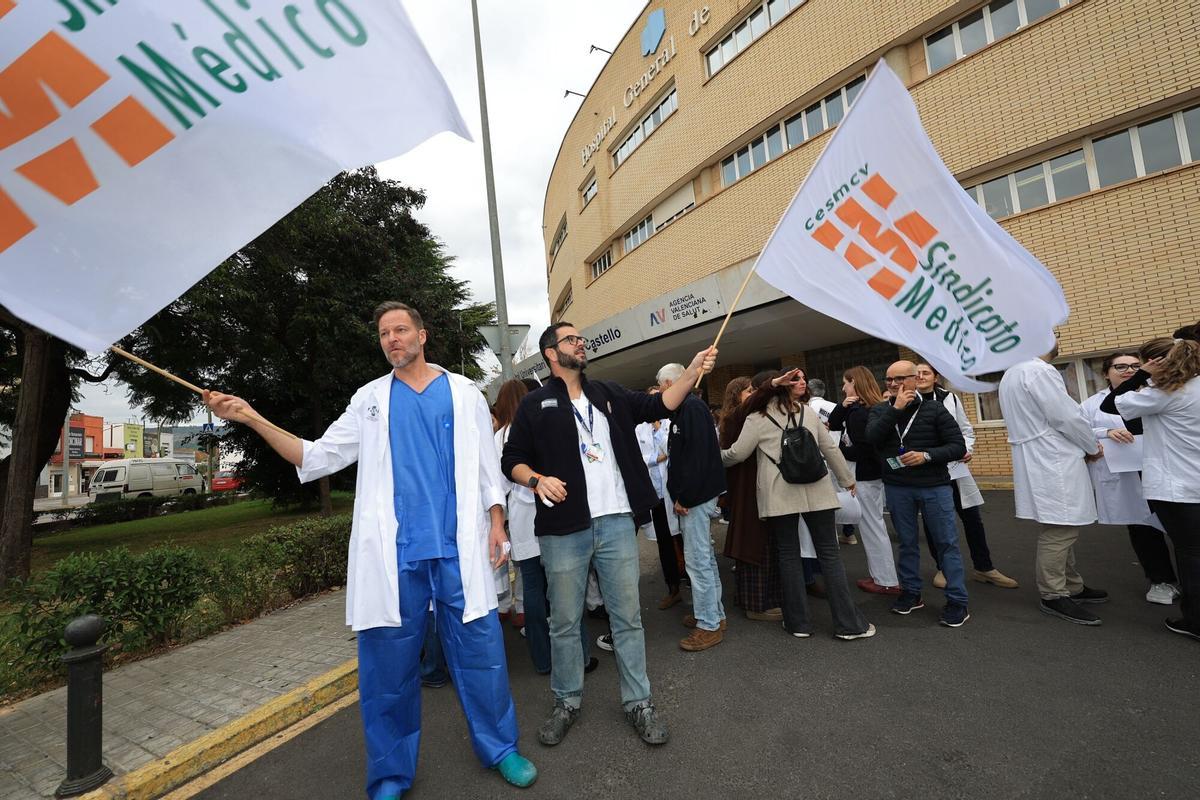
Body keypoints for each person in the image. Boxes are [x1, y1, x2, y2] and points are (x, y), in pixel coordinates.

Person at [204, 301, 536, 798]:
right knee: (387, 672)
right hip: (394, 558)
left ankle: (502, 749)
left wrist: (496, 523)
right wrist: (250, 417)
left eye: (401, 330)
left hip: (457, 552)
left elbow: (489, 469)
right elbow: (315, 457)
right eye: (384, 333)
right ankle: (390, 773)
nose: (392, 339)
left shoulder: (464, 393)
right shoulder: (370, 401)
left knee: (483, 656)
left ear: (423, 336)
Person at [501, 322, 716, 747]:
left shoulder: (609, 393)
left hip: (617, 522)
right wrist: (536, 480)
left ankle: (639, 701)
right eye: (570, 339)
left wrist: (691, 372)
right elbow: (513, 459)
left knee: (628, 619)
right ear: (550, 353)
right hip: (563, 529)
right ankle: (566, 701)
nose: (580, 343)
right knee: (564, 621)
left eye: (581, 339)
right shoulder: (536, 403)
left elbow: (662, 405)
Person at [721, 369, 875, 641]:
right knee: (830, 555)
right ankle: (849, 624)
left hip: (779, 495)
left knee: (788, 556)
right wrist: (847, 479)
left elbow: (737, 454)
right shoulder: (808, 412)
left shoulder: (756, 418)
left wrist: (713, 456)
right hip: (817, 489)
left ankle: (798, 623)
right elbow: (830, 449)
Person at [998, 343, 1108, 626]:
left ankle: (1072, 585)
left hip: (1041, 456)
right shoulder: (1038, 370)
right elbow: (1067, 417)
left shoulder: (1012, 372)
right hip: (1053, 458)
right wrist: (1092, 446)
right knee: (1061, 528)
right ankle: (1053, 594)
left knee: (1061, 524)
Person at [493, 379, 596, 676]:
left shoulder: (498, 437)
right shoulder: (540, 423)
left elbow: (498, 486)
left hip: (524, 525)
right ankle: (580, 657)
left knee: (533, 594)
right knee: (566, 592)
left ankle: (542, 659)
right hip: (554, 519)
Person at [1106, 337, 1200, 641]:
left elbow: (1112, 403)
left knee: (1190, 554)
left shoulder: (1167, 394)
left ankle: (1195, 621)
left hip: (1178, 487)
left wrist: (1143, 374)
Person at [863, 361, 970, 627]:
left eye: (899, 379)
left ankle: (957, 601)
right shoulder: (879, 410)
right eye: (888, 380)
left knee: (946, 543)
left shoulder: (934, 409)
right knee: (907, 543)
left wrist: (927, 456)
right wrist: (896, 409)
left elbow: (958, 447)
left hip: (934, 486)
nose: (893, 384)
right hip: (898, 487)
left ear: (914, 379)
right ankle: (911, 593)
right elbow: (872, 438)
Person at [1081, 353, 1178, 605]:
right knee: (1143, 528)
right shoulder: (1093, 403)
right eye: (1120, 366)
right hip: (1125, 475)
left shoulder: (1159, 393)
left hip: (1165, 471)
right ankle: (1161, 581)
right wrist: (1105, 432)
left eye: (1135, 366)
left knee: (1182, 528)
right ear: (1106, 372)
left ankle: (1190, 581)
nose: (1128, 370)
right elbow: (1077, 430)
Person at [914, 363, 1019, 590]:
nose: (920, 376)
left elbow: (965, 429)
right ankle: (943, 568)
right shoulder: (908, 401)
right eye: (916, 373)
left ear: (935, 376)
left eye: (925, 373)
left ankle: (984, 567)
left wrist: (967, 449)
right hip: (928, 471)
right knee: (936, 523)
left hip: (956, 469)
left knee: (972, 519)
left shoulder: (949, 398)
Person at [657, 362, 728, 651]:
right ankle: (713, 614)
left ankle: (708, 624)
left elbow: (696, 459)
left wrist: (684, 497)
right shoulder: (687, 410)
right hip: (694, 496)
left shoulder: (691, 410)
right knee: (703, 559)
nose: (662, 392)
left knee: (698, 561)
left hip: (695, 498)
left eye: (663, 386)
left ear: (673, 382)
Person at [828, 366, 899, 596]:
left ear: (854, 384)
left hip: (865, 476)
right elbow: (836, 423)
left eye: (845, 383)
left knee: (872, 527)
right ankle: (881, 575)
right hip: (869, 475)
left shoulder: (861, 414)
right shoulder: (868, 409)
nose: (843, 388)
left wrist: (836, 449)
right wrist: (842, 405)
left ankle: (886, 579)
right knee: (872, 525)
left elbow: (862, 449)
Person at [720, 374, 784, 621]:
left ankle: (762, 599)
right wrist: (773, 385)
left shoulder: (743, 416)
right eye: (748, 391)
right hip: (749, 491)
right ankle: (756, 605)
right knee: (756, 548)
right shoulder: (738, 415)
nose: (752, 395)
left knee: (764, 546)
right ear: (737, 396)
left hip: (756, 489)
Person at [634, 389, 686, 611]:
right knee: (665, 542)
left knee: (684, 537)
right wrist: (656, 458)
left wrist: (658, 429)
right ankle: (672, 588)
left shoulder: (669, 422)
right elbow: (638, 457)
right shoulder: (638, 427)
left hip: (675, 491)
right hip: (656, 495)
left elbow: (673, 449)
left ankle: (691, 578)